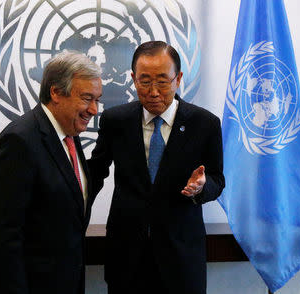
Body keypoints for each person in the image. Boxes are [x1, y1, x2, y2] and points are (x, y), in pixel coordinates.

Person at [89, 41, 225, 294]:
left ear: (178, 78)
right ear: (133, 79)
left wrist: (202, 188)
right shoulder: (115, 121)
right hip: (127, 254)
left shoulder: (204, 124)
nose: (153, 92)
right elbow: (95, 173)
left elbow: (217, 179)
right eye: (144, 81)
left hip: (180, 256)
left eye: (162, 81)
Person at [0, 51, 102, 294]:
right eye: (86, 98)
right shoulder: (19, 141)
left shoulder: (69, 137)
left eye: (97, 100)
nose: (94, 109)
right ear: (56, 92)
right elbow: (3, 237)